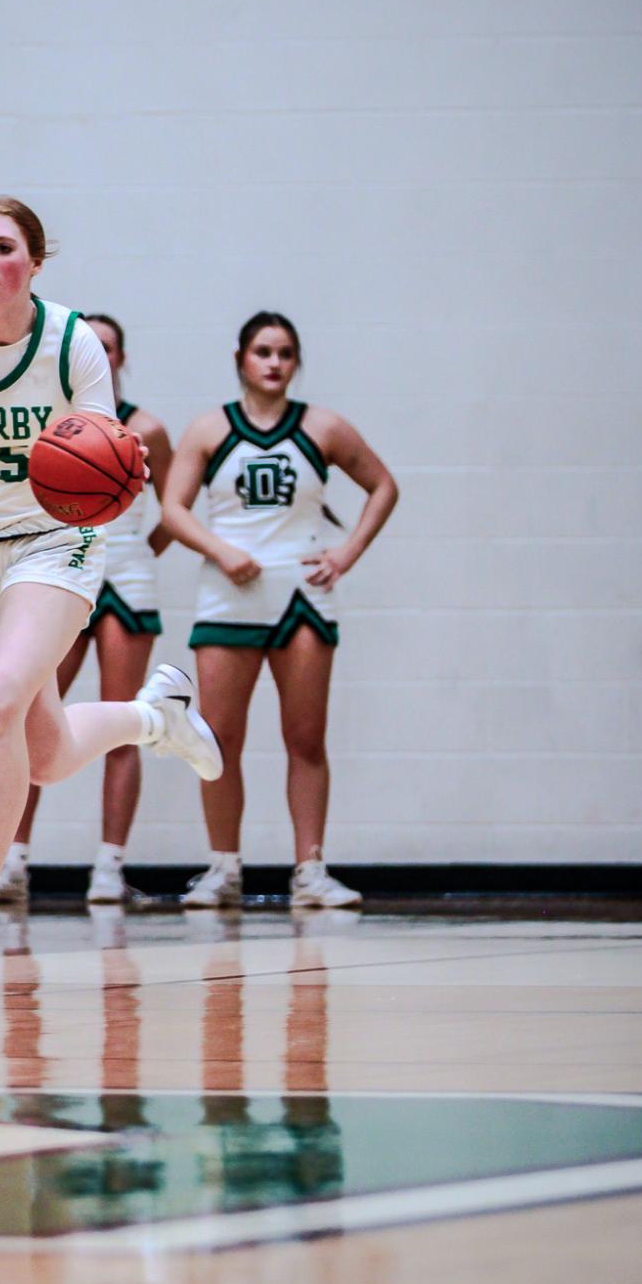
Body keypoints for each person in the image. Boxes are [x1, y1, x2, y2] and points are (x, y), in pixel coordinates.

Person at [0, 197, 221, 975]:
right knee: (42, 751)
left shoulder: (72, 345)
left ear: (35, 262)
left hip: (58, 543)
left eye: (2, 247)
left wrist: (120, 473)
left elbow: (103, 456)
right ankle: (156, 717)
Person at [160, 311, 398, 909]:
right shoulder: (209, 429)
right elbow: (172, 508)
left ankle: (310, 872)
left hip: (301, 597)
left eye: (285, 352)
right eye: (262, 350)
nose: (273, 361)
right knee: (216, 740)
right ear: (240, 357)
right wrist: (221, 549)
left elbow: (384, 486)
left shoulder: (323, 426)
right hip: (228, 592)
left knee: (305, 738)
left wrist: (345, 553)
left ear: (296, 363)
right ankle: (224, 868)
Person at [0, 312, 172, 908]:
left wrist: (140, 554)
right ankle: (14, 859)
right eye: (90, 344)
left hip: (125, 576)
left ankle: (109, 867)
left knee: (121, 723)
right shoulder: (50, 428)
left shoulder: (147, 426)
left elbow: (170, 511)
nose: (99, 352)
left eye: (109, 345)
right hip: (65, 571)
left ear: (120, 358)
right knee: (31, 719)